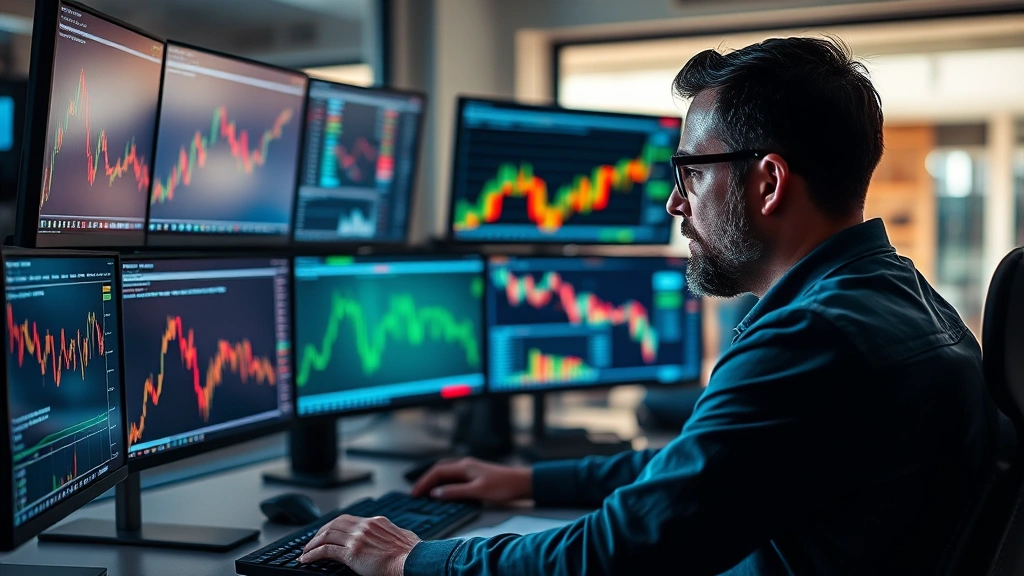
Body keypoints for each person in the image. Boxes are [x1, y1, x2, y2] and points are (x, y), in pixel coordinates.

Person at [297, 36, 999, 576]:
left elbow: (621, 550)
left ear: (769, 181)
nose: (673, 202)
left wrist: (411, 560)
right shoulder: (899, 297)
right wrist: (527, 478)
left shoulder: (814, 338)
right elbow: (706, 474)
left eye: (690, 172)